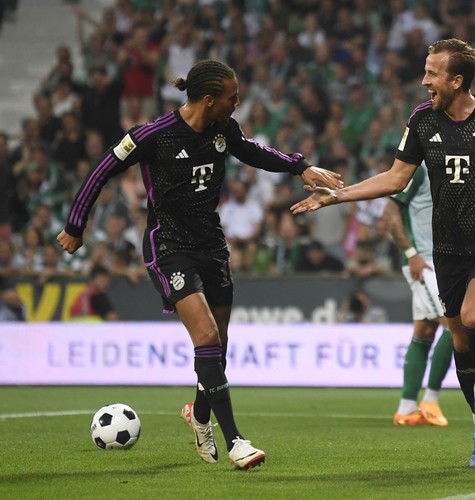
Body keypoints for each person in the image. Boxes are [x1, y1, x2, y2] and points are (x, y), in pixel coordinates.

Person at [57, 59, 342, 471]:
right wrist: (75, 225)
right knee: (206, 334)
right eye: (232, 97)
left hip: (212, 246)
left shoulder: (223, 128)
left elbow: (252, 151)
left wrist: (300, 165)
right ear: (209, 100)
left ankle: (200, 417)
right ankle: (236, 441)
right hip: (169, 246)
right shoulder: (153, 135)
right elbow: (102, 169)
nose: (238, 102)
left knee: (218, 347)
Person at [291, 39, 475, 467]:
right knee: (457, 335)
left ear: (457, 80)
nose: (424, 81)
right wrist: (338, 196)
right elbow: (396, 178)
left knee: (474, 319)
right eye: (425, 71)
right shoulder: (421, 121)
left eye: (432, 73)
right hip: (447, 249)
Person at [383, 162, 453, 427]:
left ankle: (406, 407)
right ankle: (431, 401)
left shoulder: (453, 163)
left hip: (447, 260)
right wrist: (411, 254)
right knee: (454, 323)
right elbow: (390, 213)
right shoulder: (418, 168)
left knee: (424, 330)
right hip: (424, 261)